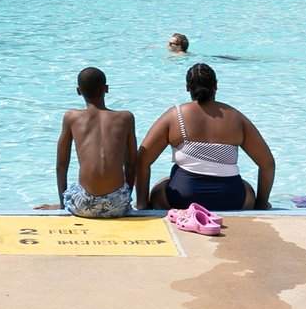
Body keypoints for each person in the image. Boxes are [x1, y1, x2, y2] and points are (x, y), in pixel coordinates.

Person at [137, 62, 275, 212]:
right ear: (216, 85)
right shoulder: (236, 117)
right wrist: (261, 204)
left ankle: (142, 205)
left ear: (187, 87)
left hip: (183, 198)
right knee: (247, 188)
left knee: (160, 187)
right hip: (232, 199)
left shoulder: (175, 116)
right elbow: (267, 164)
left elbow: (142, 160)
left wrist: (143, 204)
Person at [42, 67, 137, 219]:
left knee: (74, 190)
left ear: (78, 91)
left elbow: (61, 165)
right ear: (106, 88)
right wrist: (125, 197)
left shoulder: (71, 117)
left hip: (83, 207)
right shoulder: (126, 118)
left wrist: (61, 205)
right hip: (117, 206)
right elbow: (132, 164)